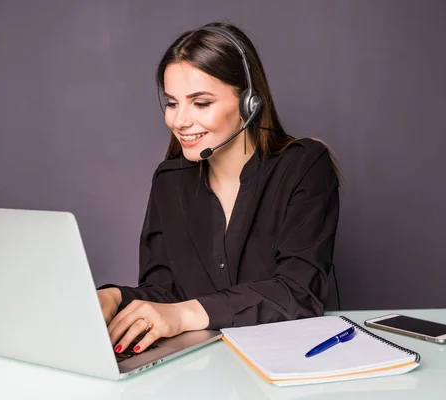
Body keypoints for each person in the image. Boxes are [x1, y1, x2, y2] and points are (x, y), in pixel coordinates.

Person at [97, 22, 340, 356]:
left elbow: (298, 292)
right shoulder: (170, 181)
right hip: (199, 370)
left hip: (287, 362)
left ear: (249, 104)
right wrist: (114, 297)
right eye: (171, 103)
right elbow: (165, 292)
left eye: (200, 103)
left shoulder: (304, 165)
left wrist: (183, 314)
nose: (179, 121)